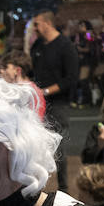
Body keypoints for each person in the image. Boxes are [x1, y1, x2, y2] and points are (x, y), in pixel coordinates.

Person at [29, 10, 79, 187]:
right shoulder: (38, 46)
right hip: (37, 104)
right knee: (34, 145)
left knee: (58, 148)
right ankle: (35, 187)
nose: (34, 28)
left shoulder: (65, 46)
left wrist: (46, 92)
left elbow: (72, 78)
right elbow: (31, 71)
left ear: (48, 24)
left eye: (37, 24)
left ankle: (63, 188)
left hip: (58, 104)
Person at [0, 51, 46, 120]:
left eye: (5, 67)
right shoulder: (23, 89)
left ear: (18, 70)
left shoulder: (30, 92)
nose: (1, 71)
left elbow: (34, 121)